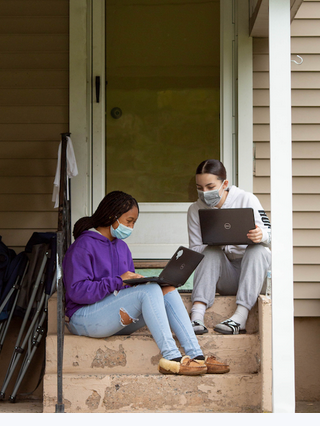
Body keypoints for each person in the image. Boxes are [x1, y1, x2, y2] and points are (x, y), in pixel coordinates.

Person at [63, 190, 230, 376]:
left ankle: (196, 355)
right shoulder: (83, 245)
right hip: (83, 317)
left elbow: (124, 288)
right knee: (148, 292)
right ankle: (172, 358)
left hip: (112, 317)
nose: (132, 227)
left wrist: (138, 282)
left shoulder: (122, 247)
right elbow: (76, 292)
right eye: (129, 221)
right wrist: (119, 281)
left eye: (134, 222)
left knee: (166, 288)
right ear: (112, 216)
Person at [188, 159, 271, 335]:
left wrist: (261, 235)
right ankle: (196, 317)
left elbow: (272, 236)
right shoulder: (196, 210)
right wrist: (217, 242)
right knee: (209, 251)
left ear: (224, 184)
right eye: (200, 188)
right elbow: (195, 251)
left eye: (210, 187)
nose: (204, 192)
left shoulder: (247, 199)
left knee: (257, 249)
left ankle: (239, 318)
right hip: (227, 276)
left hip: (255, 276)